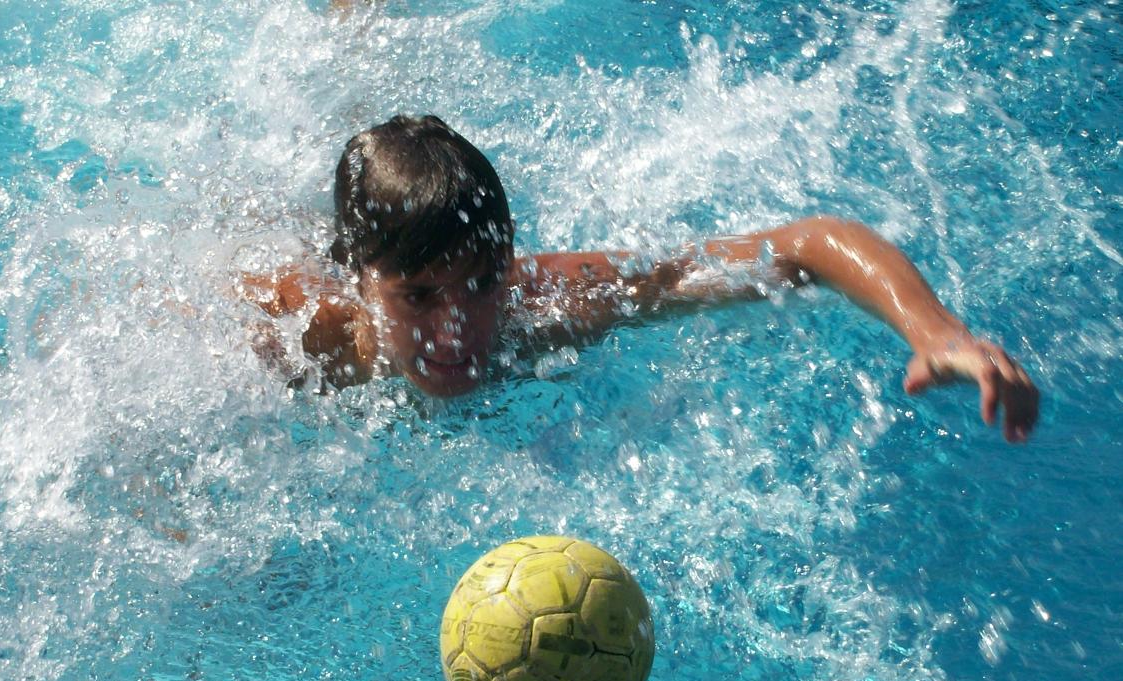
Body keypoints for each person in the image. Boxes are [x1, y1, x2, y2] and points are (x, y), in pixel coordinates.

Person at [244, 114, 1038, 442]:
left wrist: (937, 333)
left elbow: (807, 244)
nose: (457, 327)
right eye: (418, 297)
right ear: (360, 284)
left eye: (482, 284)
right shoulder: (299, 335)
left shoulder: (547, 303)